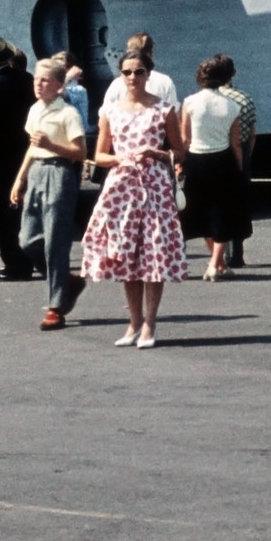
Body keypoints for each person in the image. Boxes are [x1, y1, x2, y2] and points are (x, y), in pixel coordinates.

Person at [81, 48, 188, 348]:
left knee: (153, 254)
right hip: (122, 188)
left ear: (148, 74)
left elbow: (179, 151)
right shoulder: (110, 111)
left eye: (138, 72)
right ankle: (133, 323)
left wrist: (156, 153)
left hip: (154, 187)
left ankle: (150, 325)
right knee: (127, 256)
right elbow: (99, 155)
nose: (132, 77)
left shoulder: (163, 110)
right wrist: (119, 159)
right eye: (126, 72)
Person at [13, 57, 88, 330]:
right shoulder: (34, 110)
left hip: (59, 172)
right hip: (36, 172)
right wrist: (20, 179)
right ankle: (68, 281)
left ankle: (56, 306)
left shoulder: (68, 113)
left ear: (58, 85)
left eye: (44, 80)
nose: (38, 84)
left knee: (55, 243)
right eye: (36, 79)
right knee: (27, 239)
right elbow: (32, 148)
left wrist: (51, 145)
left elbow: (80, 153)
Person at [179, 53, 250, 282]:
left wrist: (180, 163)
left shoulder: (189, 102)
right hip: (223, 161)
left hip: (196, 160)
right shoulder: (233, 105)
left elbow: (185, 138)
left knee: (201, 213)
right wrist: (238, 167)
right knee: (224, 213)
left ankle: (215, 263)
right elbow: (236, 142)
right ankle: (216, 264)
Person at [0, 38, 36, 281]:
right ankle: (27, 259)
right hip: (25, 153)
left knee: (2, 213)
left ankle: (14, 264)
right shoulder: (27, 79)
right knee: (23, 213)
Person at [217, 69, 258, 267]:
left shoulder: (204, 100)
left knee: (219, 203)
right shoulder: (244, 98)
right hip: (240, 150)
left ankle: (220, 254)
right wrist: (246, 155)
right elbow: (252, 134)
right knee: (239, 203)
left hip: (216, 150)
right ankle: (237, 254)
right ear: (232, 74)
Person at [99, 32, 180, 111]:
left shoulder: (117, 84)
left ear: (128, 53)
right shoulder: (165, 82)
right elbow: (173, 114)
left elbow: (105, 116)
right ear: (150, 53)